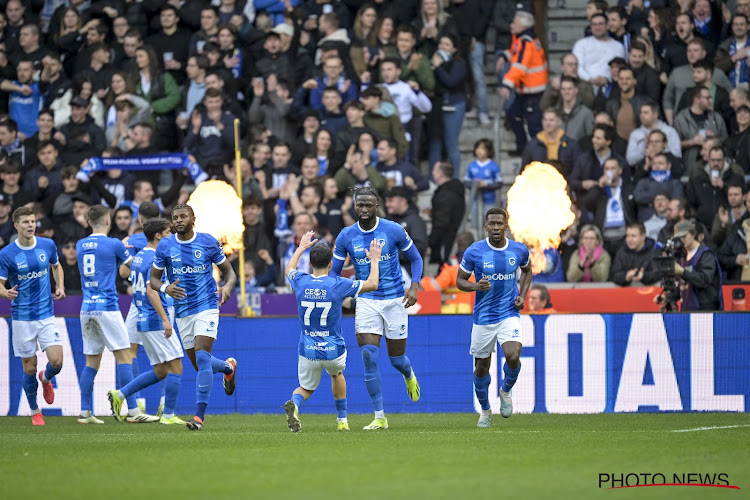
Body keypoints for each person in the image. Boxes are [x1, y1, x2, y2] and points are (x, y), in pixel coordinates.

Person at [330, 185, 424, 430]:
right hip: (367, 301)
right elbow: (334, 273)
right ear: (354, 205)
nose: (363, 209)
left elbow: (416, 258)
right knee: (368, 356)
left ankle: (408, 374)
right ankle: (380, 416)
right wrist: (336, 296)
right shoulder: (346, 236)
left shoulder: (393, 230)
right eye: (359, 205)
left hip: (395, 300)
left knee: (397, 360)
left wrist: (414, 287)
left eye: (368, 205)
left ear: (376, 206)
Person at [283, 232, 382, 432]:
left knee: (306, 388)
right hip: (333, 349)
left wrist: (301, 247)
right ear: (330, 264)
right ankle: (342, 421)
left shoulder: (300, 281)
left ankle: (295, 404)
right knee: (337, 375)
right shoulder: (338, 284)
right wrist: (374, 260)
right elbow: (373, 284)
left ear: (310, 264)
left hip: (308, 349)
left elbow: (289, 269)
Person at [151, 204, 238, 431]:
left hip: (207, 305)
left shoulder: (208, 242)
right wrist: (165, 289)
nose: (178, 220)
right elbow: (153, 279)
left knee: (202, 356)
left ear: (193, 219)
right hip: (182, 312)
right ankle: (228, 368)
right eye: (175, 217)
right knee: (200, 365)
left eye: (183, 216)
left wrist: (227, 286)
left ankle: (198, 417)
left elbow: (229, 271)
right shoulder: (166, 246)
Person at [76, 205, 158, 424]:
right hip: (107, 308)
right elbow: (134, 267)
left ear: (88, 221)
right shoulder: (113, 244)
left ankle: (85, 412)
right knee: (124, 356)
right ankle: (133, 410)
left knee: (91, 362)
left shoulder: (80, 245)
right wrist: (125, 250)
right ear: (108, 220)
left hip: (86, 308)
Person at [456, 207, 532, 428]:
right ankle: (486, 411)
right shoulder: (474, 252)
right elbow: (460, 280)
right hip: (484, 317)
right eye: (492, 224)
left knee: (513, 356)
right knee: (481, 367)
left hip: (509, 312)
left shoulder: (518, 250)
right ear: (485, 226)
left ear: (506, 225)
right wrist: (474, 286)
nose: (496, 227)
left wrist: (523, 295)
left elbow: (527, 271)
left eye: (500, 223)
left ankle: (506, 390)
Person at [107, 219, 185, 425]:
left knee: (160, 370)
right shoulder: (155, 259)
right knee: (176, 366)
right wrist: (165, 319)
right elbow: (151, 290)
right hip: (155, 319)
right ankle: (168, 416)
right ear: (159, 235)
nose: (171, 235)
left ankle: (121, 394)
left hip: (142, 319)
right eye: (168, 232)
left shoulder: (139, 256)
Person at [0, 207, 66, 426]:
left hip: (46, 314)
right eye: (25, 222)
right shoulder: (7, 254)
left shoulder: (47, 244)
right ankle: (35, 410)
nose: (30, 225)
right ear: (16, 225)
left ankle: (45, 378)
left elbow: (56, 266)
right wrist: (5, 292)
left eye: (32, 221)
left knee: (57, 360)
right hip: (21, 318)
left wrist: (60, 286)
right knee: (28, 366)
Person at [122, 202, 165, 414]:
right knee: (168, 356)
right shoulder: (169, 239)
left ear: (140, 219)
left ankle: (134, 403)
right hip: (163, 301)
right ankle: (166, 402)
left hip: (137, 303)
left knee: (130, 351)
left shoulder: (131, 241)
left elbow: (122, 273)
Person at [499, 11, 548, 155]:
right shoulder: (522, 38)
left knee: (534, 126)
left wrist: (507, 84)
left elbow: (519, 66)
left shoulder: (526, 41)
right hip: (525, 90)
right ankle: (524, 149)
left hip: (533, 91)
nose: (511, 25)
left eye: (514, 22)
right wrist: (504, 56)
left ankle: (538, 155)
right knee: (513, 114)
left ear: (523, 26)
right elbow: (515, 52)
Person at [672, 220, 722, 310]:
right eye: (679, 237)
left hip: (704, 310)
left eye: (684, 236)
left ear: (693, 234)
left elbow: (704, 279)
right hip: (687, 309)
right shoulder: (683, 257)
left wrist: (682, 272)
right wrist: (668, 297)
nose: (682, 240)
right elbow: (682, 287)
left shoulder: (706, 254)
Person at [611, 222, 660, 286]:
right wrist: (626, 276)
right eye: (627, 236)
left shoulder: (654, 251)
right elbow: (614, 275)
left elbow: (659, 274)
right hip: (627, 294)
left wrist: (643, 276)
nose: (629, 239)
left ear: (643, 236)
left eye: (633, 236)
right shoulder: (622, 252)